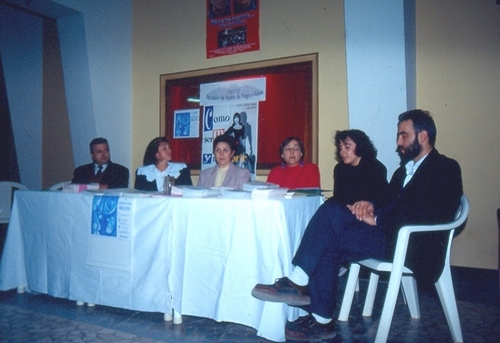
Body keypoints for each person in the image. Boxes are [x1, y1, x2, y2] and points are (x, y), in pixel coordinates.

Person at [251, 109, 463, 341]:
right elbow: (387, 201)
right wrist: (369, 205)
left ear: (422, 136)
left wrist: (378, 218)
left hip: (413, 245)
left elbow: (434, 213)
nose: (397, 142)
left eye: (403, 135)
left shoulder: (446, 167)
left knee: (331, 217)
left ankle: (299, 281)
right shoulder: (403, 171)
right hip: (388, 237)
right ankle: (322, 319)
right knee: (331, 226)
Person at [330, 129, 390, 207]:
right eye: (340, 147)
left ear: (360, 146)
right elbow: (339, 196)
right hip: (344, 209)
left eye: (347, 147)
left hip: (366, 212)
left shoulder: (376, 168)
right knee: (327, 207)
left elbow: (379, 198)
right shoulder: (339, 169)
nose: (342, 151)